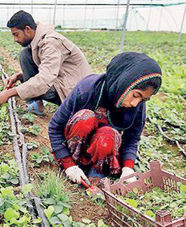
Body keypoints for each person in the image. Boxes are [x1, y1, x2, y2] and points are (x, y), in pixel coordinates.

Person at [48, 52, 162, 185]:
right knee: (85, 118)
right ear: (123, 83)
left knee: (108, 133)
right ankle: (74, 164)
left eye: (143, 99)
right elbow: (55, 127)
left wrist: (128, 168)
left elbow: (132, 138)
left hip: (102, 150)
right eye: (136, 95)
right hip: (76, 147)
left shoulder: (137, 106)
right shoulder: (87, 89)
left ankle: (97, 171)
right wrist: (68, 165)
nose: (135, 103)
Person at [0, 10, 92, 115]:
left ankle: (42, 104)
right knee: (25, 54)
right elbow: (47, 69)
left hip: (80, 94)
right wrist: (19, 76)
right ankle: (36, 103)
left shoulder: (51, 43)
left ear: (27, 29)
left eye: (16, 34)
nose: (15, 39)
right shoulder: (38, 39)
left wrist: (9, 93)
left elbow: (44, 80)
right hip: (66, 81)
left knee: (40, 85)